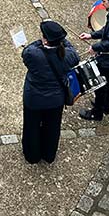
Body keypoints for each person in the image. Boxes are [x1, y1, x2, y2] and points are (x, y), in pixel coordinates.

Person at [21, 20, 80, 164]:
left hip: (34, 98)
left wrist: (41, 42)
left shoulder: (33, 54)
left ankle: (32, 155)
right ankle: (49, 154)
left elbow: (27, 50)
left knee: (31, 127)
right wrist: (60, 39)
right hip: (56, 99)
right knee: (52, 127)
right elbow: (73, 52)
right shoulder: (68, 55)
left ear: (46, 39)